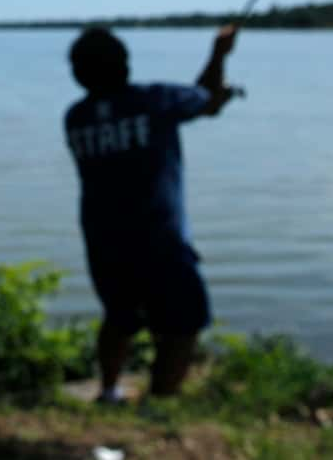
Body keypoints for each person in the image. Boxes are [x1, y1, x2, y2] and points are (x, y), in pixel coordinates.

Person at [62, 24, 238, 404]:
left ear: (78, 74)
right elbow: (206, 99)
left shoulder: (76, 117)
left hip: (104, 243)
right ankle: (159, 404)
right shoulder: (156, 100)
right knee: (184, 325)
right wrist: (219, 54)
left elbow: (203, 98)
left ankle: (109, 391)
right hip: (161, 242)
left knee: (120, 317)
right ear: (124, 64)